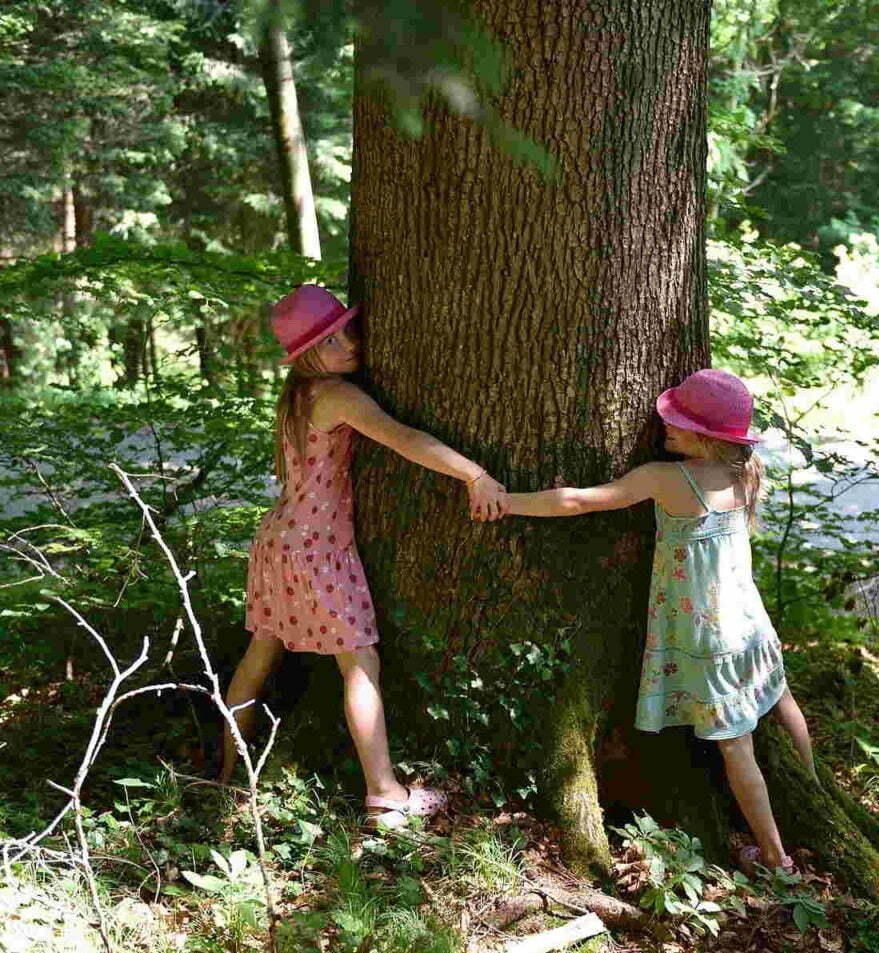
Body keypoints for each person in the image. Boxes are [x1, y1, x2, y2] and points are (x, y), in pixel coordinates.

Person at [219, 284, 508, 828]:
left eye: (347, 330)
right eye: (332, 338)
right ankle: (384, 793)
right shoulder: (337, 395)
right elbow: (404, 438)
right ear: (309, 353)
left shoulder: (297, 395)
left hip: (279, 538)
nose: (350, 343)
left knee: (262, 651)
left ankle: (227, 773)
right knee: (358, 662)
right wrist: (474, 472)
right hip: (316, 547)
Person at [505, 368, 817, 870]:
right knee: (780, 699)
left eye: (675, 421)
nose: (661, 423)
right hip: (750, 623)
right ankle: (813, 794)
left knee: (737, 747)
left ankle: (777, 857)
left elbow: (577, 501)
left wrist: (507, 502)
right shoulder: (745, 471)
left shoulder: (667, 478)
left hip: (708, 639)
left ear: (705, 437)